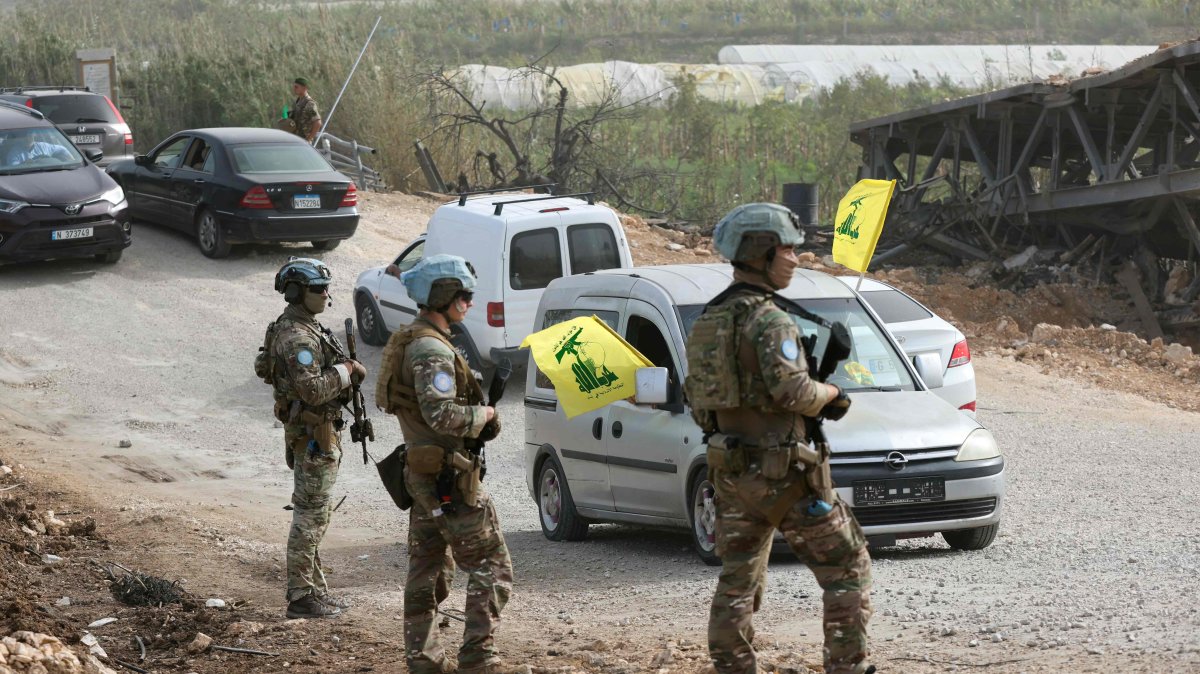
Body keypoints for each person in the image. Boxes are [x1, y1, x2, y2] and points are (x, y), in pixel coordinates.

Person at [684, 203, 875, 674]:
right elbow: (794, 391)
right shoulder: (770, 321)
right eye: (786, 249)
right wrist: (831, 392)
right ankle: (847, 667)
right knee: (848, 567)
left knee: (738, 581)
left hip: (730, 472)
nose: (794, 259)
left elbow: (699, 402)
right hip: (785, 474)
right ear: (759, 253)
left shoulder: (706, 322)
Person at [375, 254, 516, 674]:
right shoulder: (431, 349)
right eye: (465, 295)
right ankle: (478, 659)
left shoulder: (411, 339)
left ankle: (424, 662)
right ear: (444, 297)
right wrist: (485, 417)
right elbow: (441, 415)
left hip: (423, 474)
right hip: (447, 477)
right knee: (493, 566)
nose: (469, 303)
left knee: (427, 567)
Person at [254, 257, 367, 619]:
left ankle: (315, 589)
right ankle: (301, 597)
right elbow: (312, 389)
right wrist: (346, 371)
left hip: (314, 434)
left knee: (316, 514)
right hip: (313, 437)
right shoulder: (297, 336)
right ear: (296, 292)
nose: (325, 294)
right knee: (310, 516)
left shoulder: (303, 327)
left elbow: (264, 369)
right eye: (318, 289)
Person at [3, 131, 75, 167]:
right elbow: (13, 168)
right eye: (25, 135)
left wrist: (72, 160)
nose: (28, 137)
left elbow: (62, 149)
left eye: (30, 135)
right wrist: (24, 164)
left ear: (34, 135)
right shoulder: (14, 152)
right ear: (21, 137)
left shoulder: (43, 146)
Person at [289, 77, 323, 142]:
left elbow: (318, 123)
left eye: (296, 87)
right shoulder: (298, 101)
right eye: (294, 87)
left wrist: (308, 139)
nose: (294, 89)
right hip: (296, 139)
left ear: (304, 88)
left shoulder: (309, 104)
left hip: (303, 141)